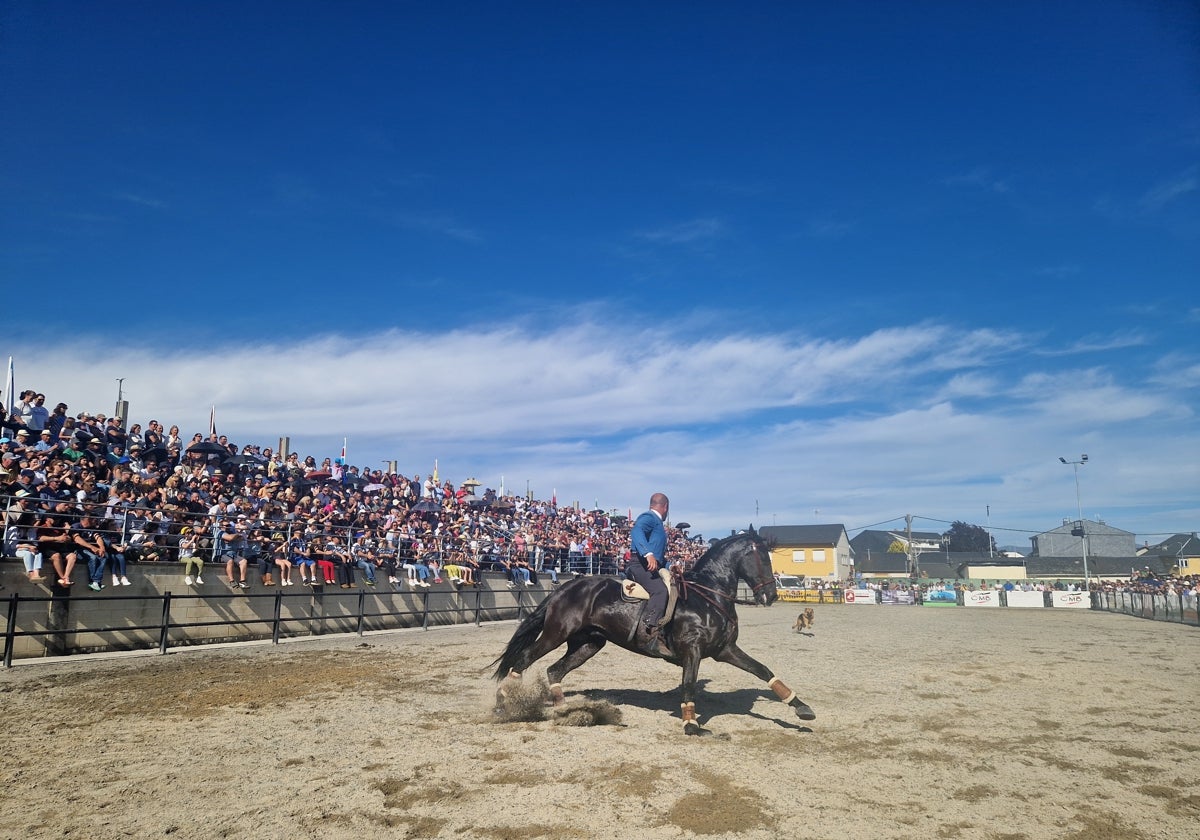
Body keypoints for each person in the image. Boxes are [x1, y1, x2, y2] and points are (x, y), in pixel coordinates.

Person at [626, 492, 672, 656]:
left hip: (650, 565)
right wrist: (648, 553)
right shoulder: (650, 517)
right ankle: (649, 632)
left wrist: (672, 566)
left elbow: (658, 557)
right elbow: (636, 531)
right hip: (640, 565)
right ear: (665, 507)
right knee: (660, 591)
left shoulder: (656, 522)